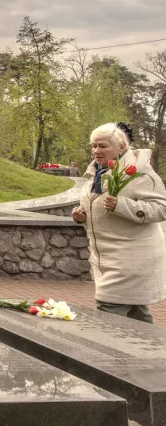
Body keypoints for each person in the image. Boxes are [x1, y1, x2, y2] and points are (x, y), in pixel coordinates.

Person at [72, 122, 166, 323]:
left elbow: (161, 208)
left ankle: (106, 353)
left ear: (121, 147)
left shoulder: (140, 173)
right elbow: (100, 209)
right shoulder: (96, 172)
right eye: (94, 146)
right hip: (105, 258)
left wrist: (122, 205)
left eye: (103, 146)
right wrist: (83, 216)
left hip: (132, 257)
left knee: (109, 309)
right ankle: (153, 350)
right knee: (136, 314)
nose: (96, 151)